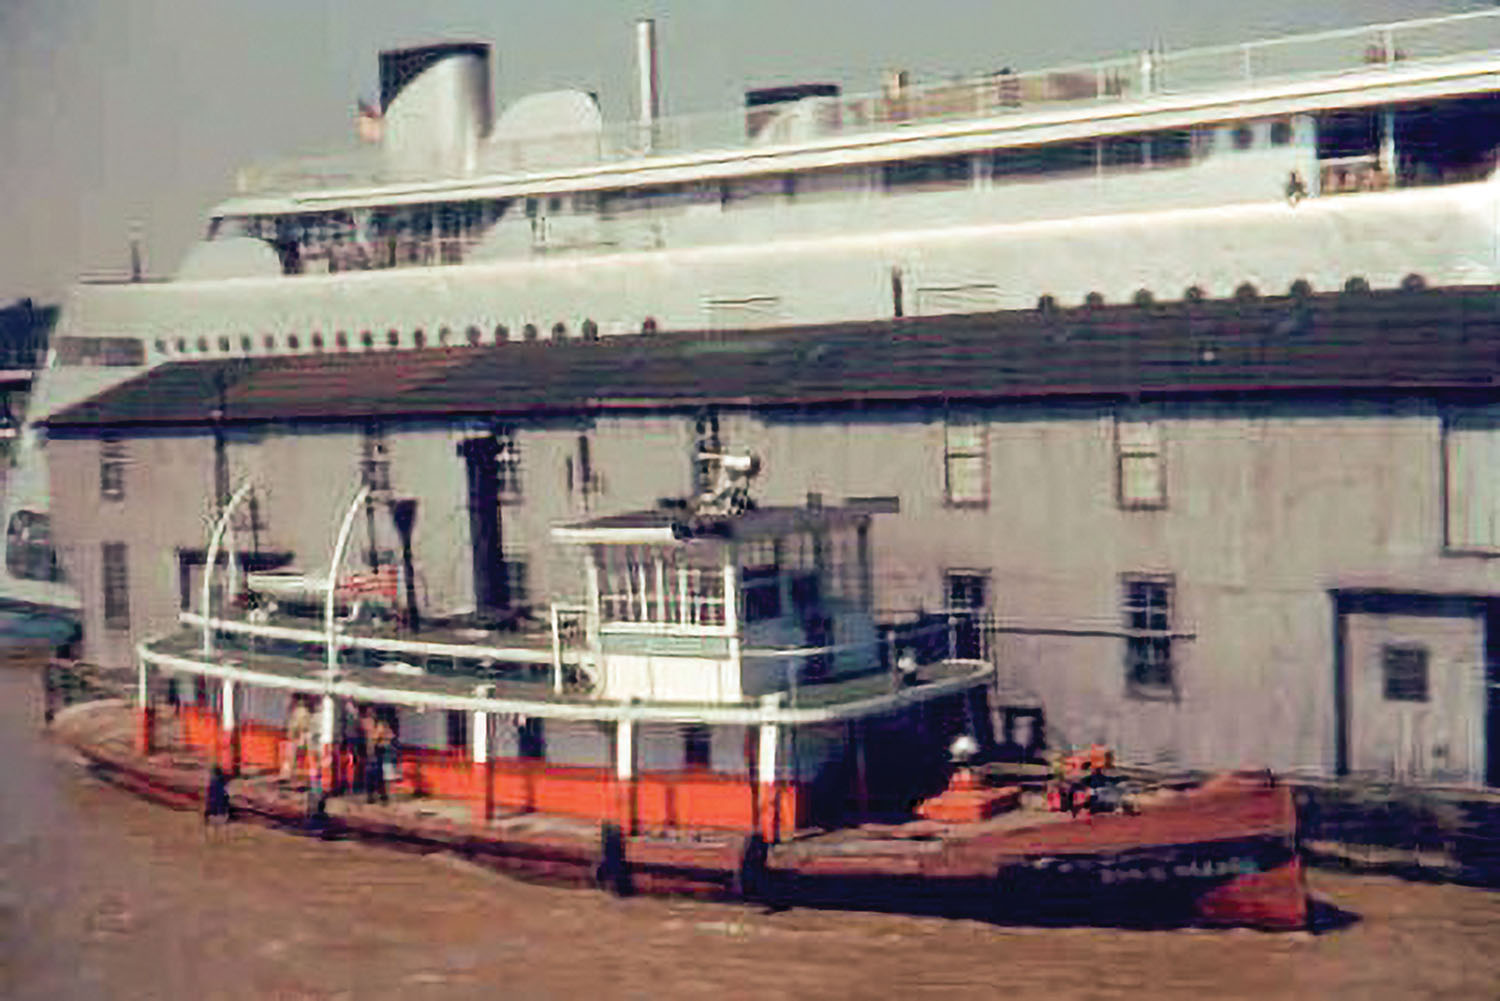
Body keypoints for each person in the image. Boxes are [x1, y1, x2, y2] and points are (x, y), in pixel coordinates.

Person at [282, 697, 315, 784]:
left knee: (291, 756)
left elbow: (296, 726)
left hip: (297, 736)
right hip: (299, 736)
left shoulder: (297, 712)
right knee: (297, 757)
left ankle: (289, 774)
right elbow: (302, 727)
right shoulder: (304, 713)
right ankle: (292, 775)